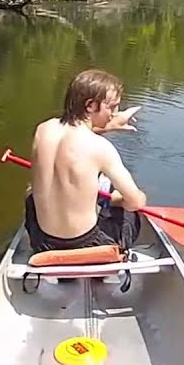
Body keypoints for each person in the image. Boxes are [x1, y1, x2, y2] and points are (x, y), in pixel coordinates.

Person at [24, 68, 148, 254]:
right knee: (130, 211)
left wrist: (109, 126)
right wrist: (117, 200)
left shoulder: (42, 130)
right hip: (87, 245)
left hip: (42, 242)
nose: (115, 113)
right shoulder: (100, 147)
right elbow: (135, 202)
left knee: (31, 195)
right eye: (112, 107)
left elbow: (71, 134)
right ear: (90, 105)